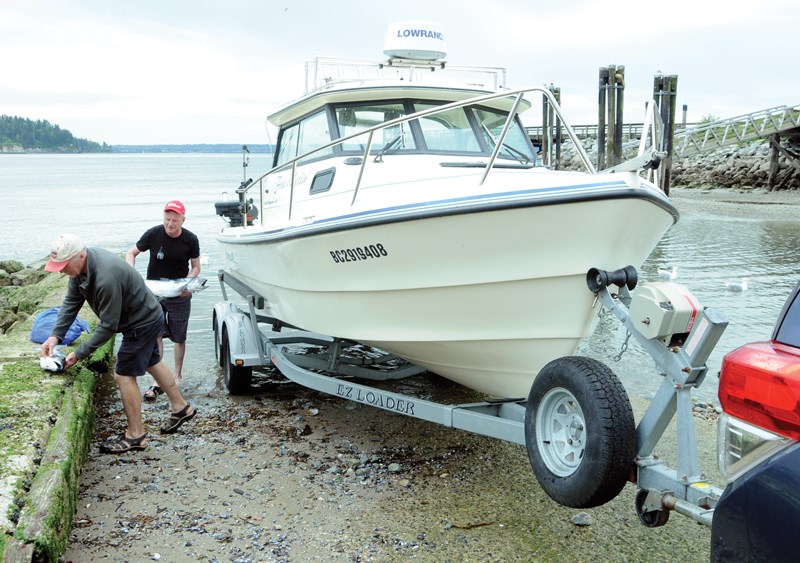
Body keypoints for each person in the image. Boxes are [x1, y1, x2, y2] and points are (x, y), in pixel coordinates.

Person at [39, 233, 197, 454]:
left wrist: (78, 354)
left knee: (123, 375)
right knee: (152, 361)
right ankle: (182, 408)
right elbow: (71, 303)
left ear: (80, 255)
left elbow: (108, 326)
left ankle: (136, 436)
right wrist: (55, 336)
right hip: (148, 314)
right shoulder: (80, 269)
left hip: (140, 322)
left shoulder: (105, 278)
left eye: (64, 265)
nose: (61, 270)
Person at [126, 200, 200, 401]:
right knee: (156, 335)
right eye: (167, 219)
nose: (170, 224)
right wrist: (131, 273)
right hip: (153, 293)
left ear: (183, 220)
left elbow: (196, 267)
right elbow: (131, 253)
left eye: (175, 220)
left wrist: (188, 283)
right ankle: (159, 378)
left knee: (179, 337)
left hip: (179, 292)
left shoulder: (191, 239)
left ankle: (177, 374)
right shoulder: (153, 233)